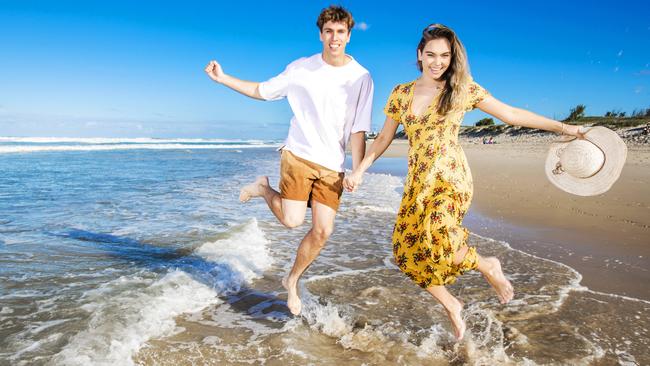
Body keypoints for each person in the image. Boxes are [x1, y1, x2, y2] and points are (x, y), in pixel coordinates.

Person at [343, 24, 584, 341]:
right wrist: (360, 169)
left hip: (450, 177)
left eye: (444, 55)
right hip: (419, 182)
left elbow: (510, 114)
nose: (437, 62)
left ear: (451, 57)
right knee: (405, 252)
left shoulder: (461, 89)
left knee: (439, 237)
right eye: (431, 54)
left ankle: (488, 265)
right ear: (419, 55)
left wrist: (564, 129)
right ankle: (452, 304)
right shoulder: (400, 93)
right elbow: (384, 138)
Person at [204, 6, 373, 315]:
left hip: (332, 165)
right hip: (298, 155)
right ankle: (264, 189)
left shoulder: (361, 77)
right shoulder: (300, 69)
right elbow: (261, 90)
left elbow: (359, 129)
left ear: (349, 36)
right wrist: (223, 79)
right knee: (292, 221)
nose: (334, 38)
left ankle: (291, 280)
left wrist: (357, 169)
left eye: (340, 32)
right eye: (329, 32)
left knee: (323, 232)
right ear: (321, 34)